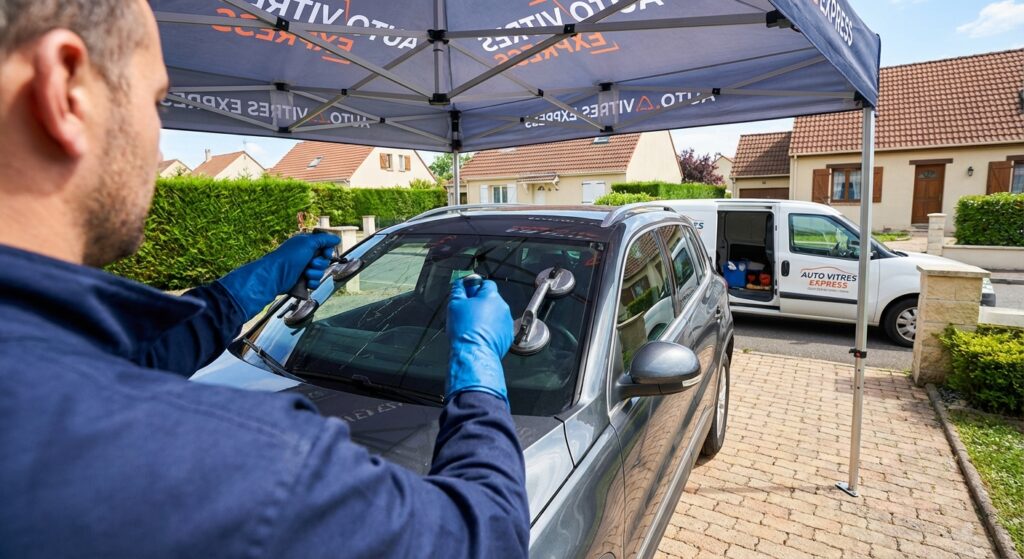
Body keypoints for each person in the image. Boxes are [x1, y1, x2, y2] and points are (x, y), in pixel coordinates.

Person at [0, 1, 529, 557]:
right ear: (65, 87)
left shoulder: (45, 375)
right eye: (155, 102)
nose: (157, 145)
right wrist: (477, 370)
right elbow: (485, 536)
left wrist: (247, 288)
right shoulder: (262, 463)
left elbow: (125, 367)